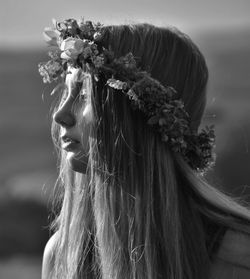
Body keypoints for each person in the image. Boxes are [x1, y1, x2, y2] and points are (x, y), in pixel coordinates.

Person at [39, 18, 250, 279]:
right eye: (65, 95)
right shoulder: (63, 254)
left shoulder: (238, 256)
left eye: (83, 96)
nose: (60, 115)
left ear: (137, 109)